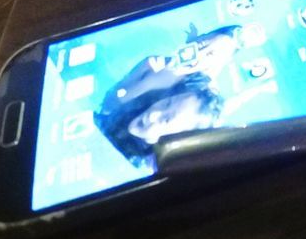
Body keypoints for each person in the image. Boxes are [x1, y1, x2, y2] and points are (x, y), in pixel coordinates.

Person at [93, 24, 244, 166]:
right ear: (196, 39)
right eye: (203, 44)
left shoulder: (199, 98)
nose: (202, 54)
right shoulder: (159, 67)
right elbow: (111, 101)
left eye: (211, 54)